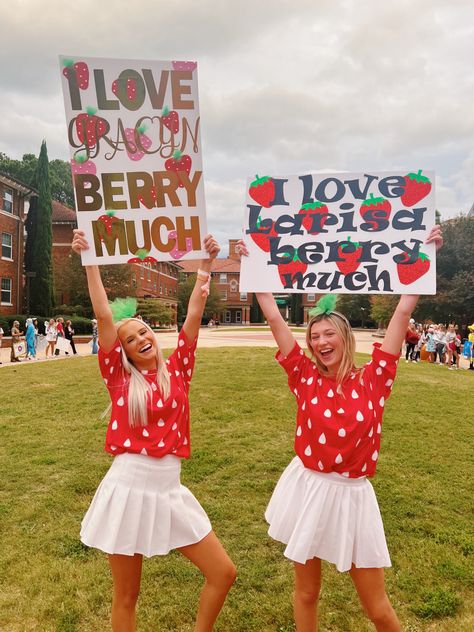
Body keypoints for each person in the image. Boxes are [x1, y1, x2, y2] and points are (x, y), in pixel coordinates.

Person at [238, 225, 442, 632]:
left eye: (329, 333)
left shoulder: (376, 376)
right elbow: (276, 317)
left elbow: (402, 313)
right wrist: (256, 270)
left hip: (352, 494)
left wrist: (426, 257)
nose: (320, 341)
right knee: (307, 593)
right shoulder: (304, 376)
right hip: (309, 487)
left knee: (377, 606)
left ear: (345, 338)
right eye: (314, 336)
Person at [72, 229, 236, 632]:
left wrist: (205, 268)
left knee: (223, 572)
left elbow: (195, 315)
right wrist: (90, 261)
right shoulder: (119, 379)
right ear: (122, 352)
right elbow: (104, 315)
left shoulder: (178, 370)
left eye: (143, 332)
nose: (139, 339)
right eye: (130, 339)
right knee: (127, 596)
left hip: (170, 488)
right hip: (127, 487)